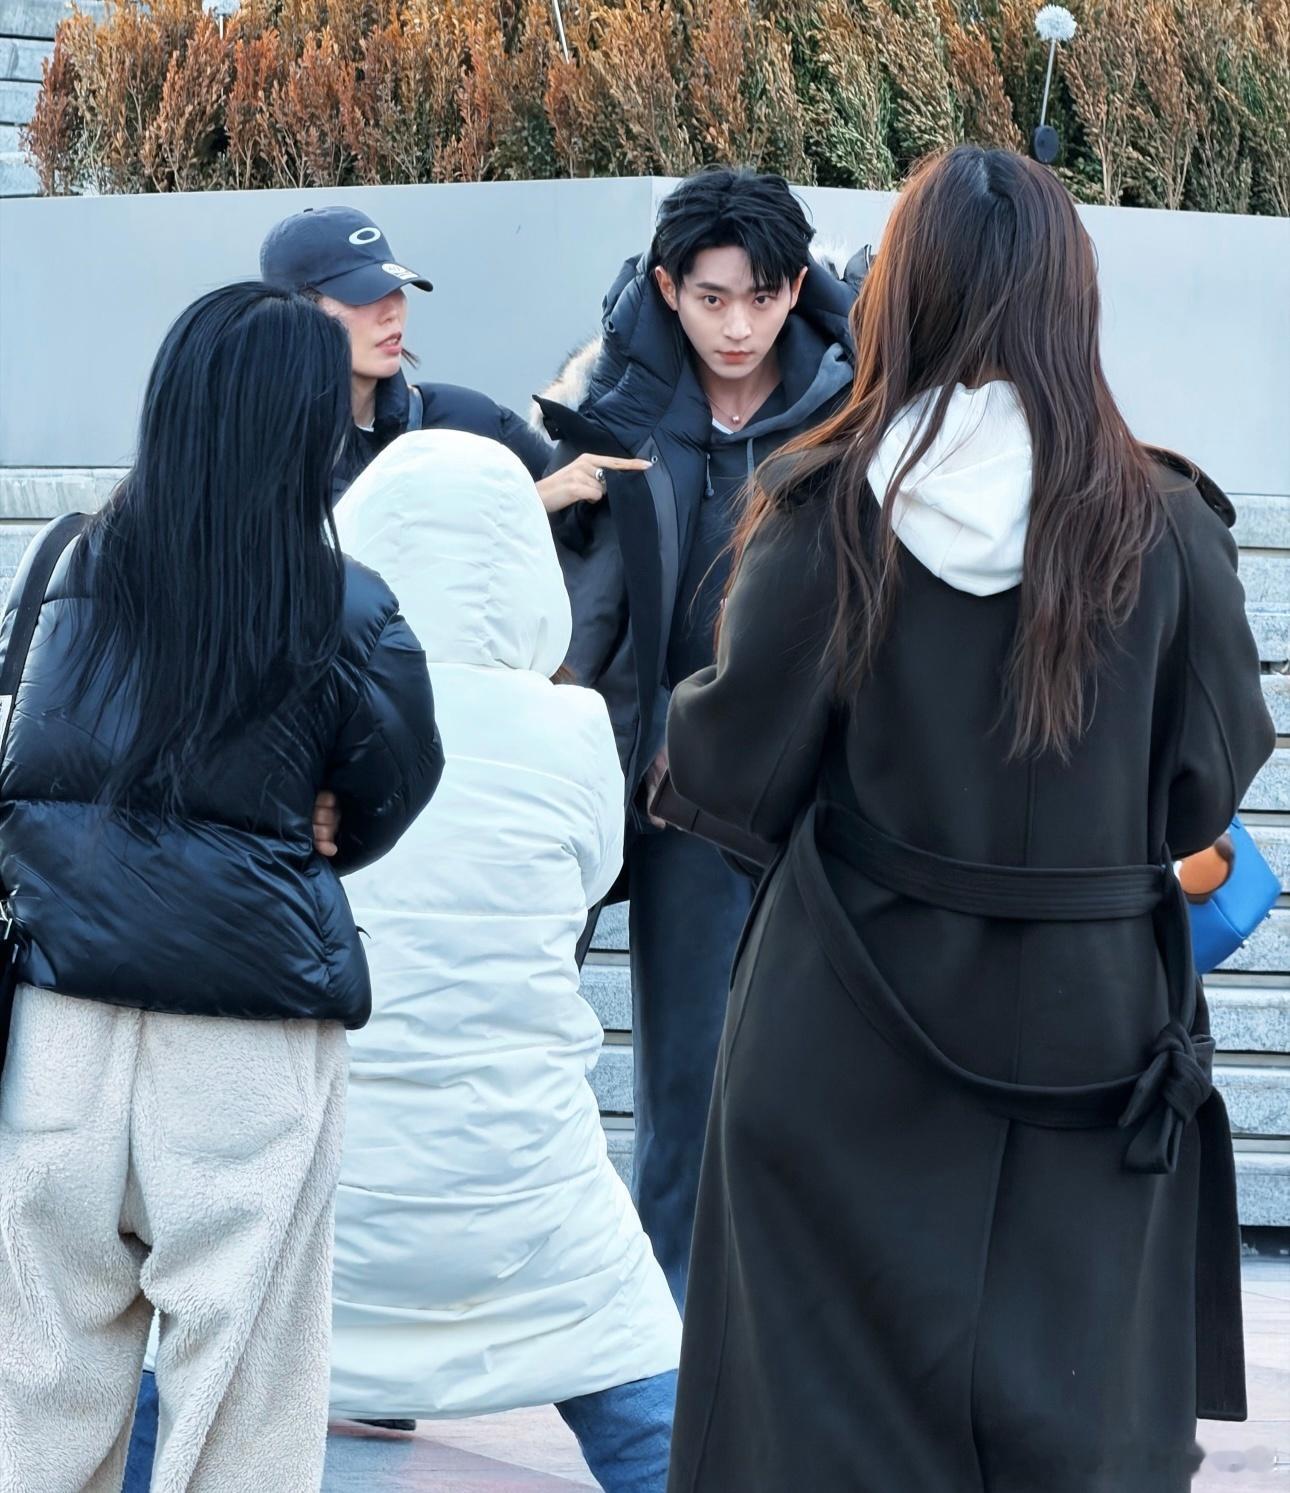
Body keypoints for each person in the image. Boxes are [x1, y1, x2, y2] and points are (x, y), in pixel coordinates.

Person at [662, 145, 1275, 1493]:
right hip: (1091, 1031)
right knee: (1077, 1423)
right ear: (1071, 295)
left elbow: (728, 777)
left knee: (818, 1436)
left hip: (845, 1020)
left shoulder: (828, 507)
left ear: (903, 292)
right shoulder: (1166, 523)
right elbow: (1205, 782)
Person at [0, 282, 442, 1493]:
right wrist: (311, 825)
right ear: (307, 427)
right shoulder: (349, 605)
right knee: (243, 1402)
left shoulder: (63, 561)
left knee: (39, 1388)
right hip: (245, 1038)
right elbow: (398, 782)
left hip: (63, 1029)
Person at [324, 430, 680, 1489]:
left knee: (171, 1348)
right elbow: (594, 874)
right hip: (526, 1172)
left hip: (327, 1183)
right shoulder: (574, 729)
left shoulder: (306, 715)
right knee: (642, 1379)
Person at [536, 167, 860, 1304]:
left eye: (762, 299)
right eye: (712, 298)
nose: (738, 327)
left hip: (820, 787)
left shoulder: (848, 403)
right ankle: (672, 1331)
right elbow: (570, 596)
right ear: (669, 287)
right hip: (672, 792)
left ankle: (789, 1327)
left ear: (796, 288)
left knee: (815, 1078)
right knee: (685, 1082)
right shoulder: (611, 398)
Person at [260, 206, 647, 511]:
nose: (391, 311)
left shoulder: (466, 419)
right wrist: (525, 504)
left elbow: (564, 494)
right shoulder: (260, 453)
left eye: (394, 288)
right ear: (295, 312)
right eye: (361, 294)